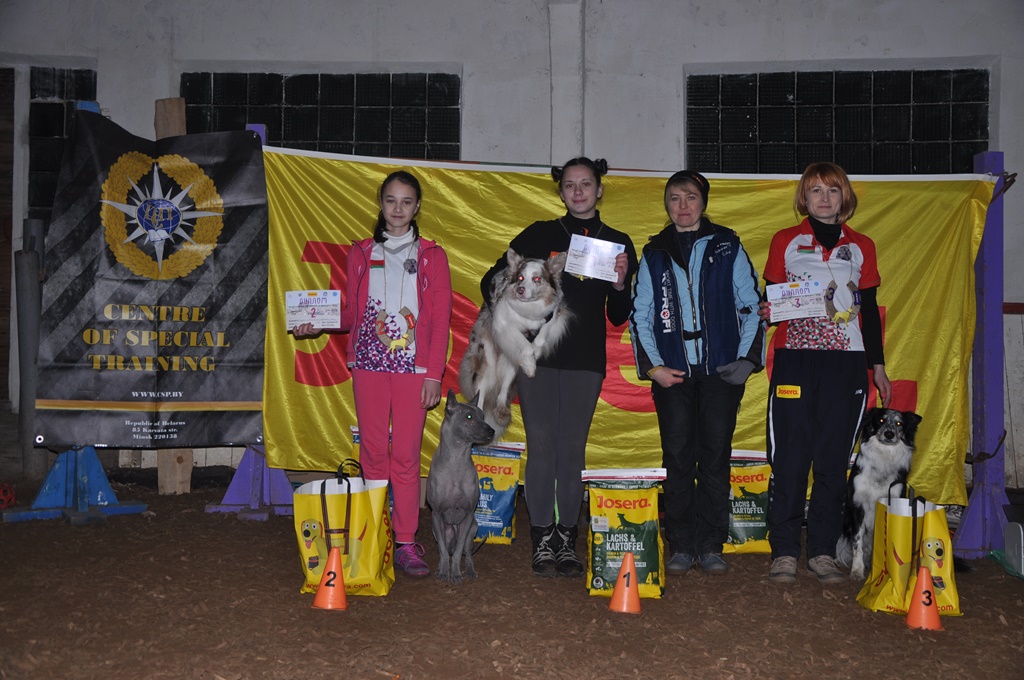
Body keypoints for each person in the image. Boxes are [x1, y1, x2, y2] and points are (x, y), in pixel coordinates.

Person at [480, 157, 637, 577]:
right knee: (542, 447)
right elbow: (491, 281)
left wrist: (620, 283)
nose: (578, 191)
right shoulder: (540, 234)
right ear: (561, 191)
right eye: (570, 185)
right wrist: (515, 314)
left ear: (599, 189)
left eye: (586, 184)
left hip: (586, 360)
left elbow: (619, 314)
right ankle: (541, 539)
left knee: (572, 451)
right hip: (538, 359)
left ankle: (567, 539)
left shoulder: (617, 243)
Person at [293, 170, 452, 578]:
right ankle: (373, 536)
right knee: (373, 454)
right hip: (368, 364)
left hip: (414, 369)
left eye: (406, 202)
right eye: (391, 200)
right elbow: (353, 313)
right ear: (381, 203)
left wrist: (433, 375)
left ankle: (405, 542)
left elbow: (440, 320)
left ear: (417, 207)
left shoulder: (433, 255)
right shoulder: (361, 252)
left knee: (406, 456)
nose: (398, 209)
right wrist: (319, 322)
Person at [760, 161, 892, 585]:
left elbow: (868, 312)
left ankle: (821, 551)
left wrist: (877, 366)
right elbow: (771, 298)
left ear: (844, 197)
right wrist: (769, 309)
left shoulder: (862, 245)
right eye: (815, 190)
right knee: (791, 457)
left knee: (833, 461)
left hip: (846, 363)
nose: (824, 197)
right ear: (804, 196)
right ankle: (784, 551)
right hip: (796, 359)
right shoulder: (785, 240)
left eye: (832, 190)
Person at [629, 170, 764, 576]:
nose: (683, 206)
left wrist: (746, 360)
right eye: (674, 198)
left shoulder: (728, 244)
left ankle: (711, 543)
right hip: (673, 374)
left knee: (715, 457)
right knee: (677, 458)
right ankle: (681, 543)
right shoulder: (654, 252)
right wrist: (653, 367)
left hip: (721, 372)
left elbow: (751, 305)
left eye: (690, 197)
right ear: (666, 205)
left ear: (703, 202)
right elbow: (641, 314)